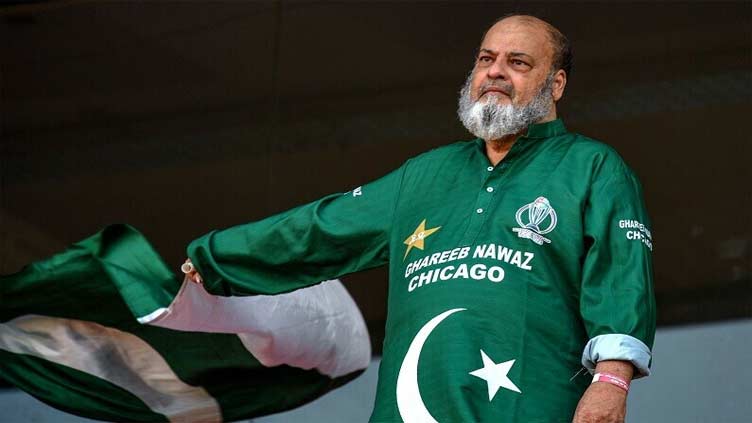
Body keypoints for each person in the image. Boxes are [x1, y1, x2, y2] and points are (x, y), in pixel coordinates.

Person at [184, 14, 655, 423]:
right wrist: (215, 258)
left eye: (518, 62)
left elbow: (620, 275)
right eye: (485, 59)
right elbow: (319, 228)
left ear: (556, 84)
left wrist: (612, 382)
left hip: (529, 407)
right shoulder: (425, 175)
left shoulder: (590, 166)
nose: (495, 72)